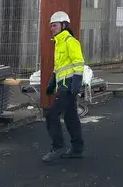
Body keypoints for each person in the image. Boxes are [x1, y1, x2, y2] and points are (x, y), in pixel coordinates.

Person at [43, 10, 86, 162]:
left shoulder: (70, 41)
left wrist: (76, 83)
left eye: (54, 25)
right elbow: (59, 67)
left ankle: (58, 146)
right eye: (51, 26)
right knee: (70, 117)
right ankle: (77, 149)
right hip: (62, 85)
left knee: (51, 114)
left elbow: (78, 63)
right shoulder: (59, 43)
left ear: (64, 25)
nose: (51, 28)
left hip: (68, 86)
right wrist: (52, 83)